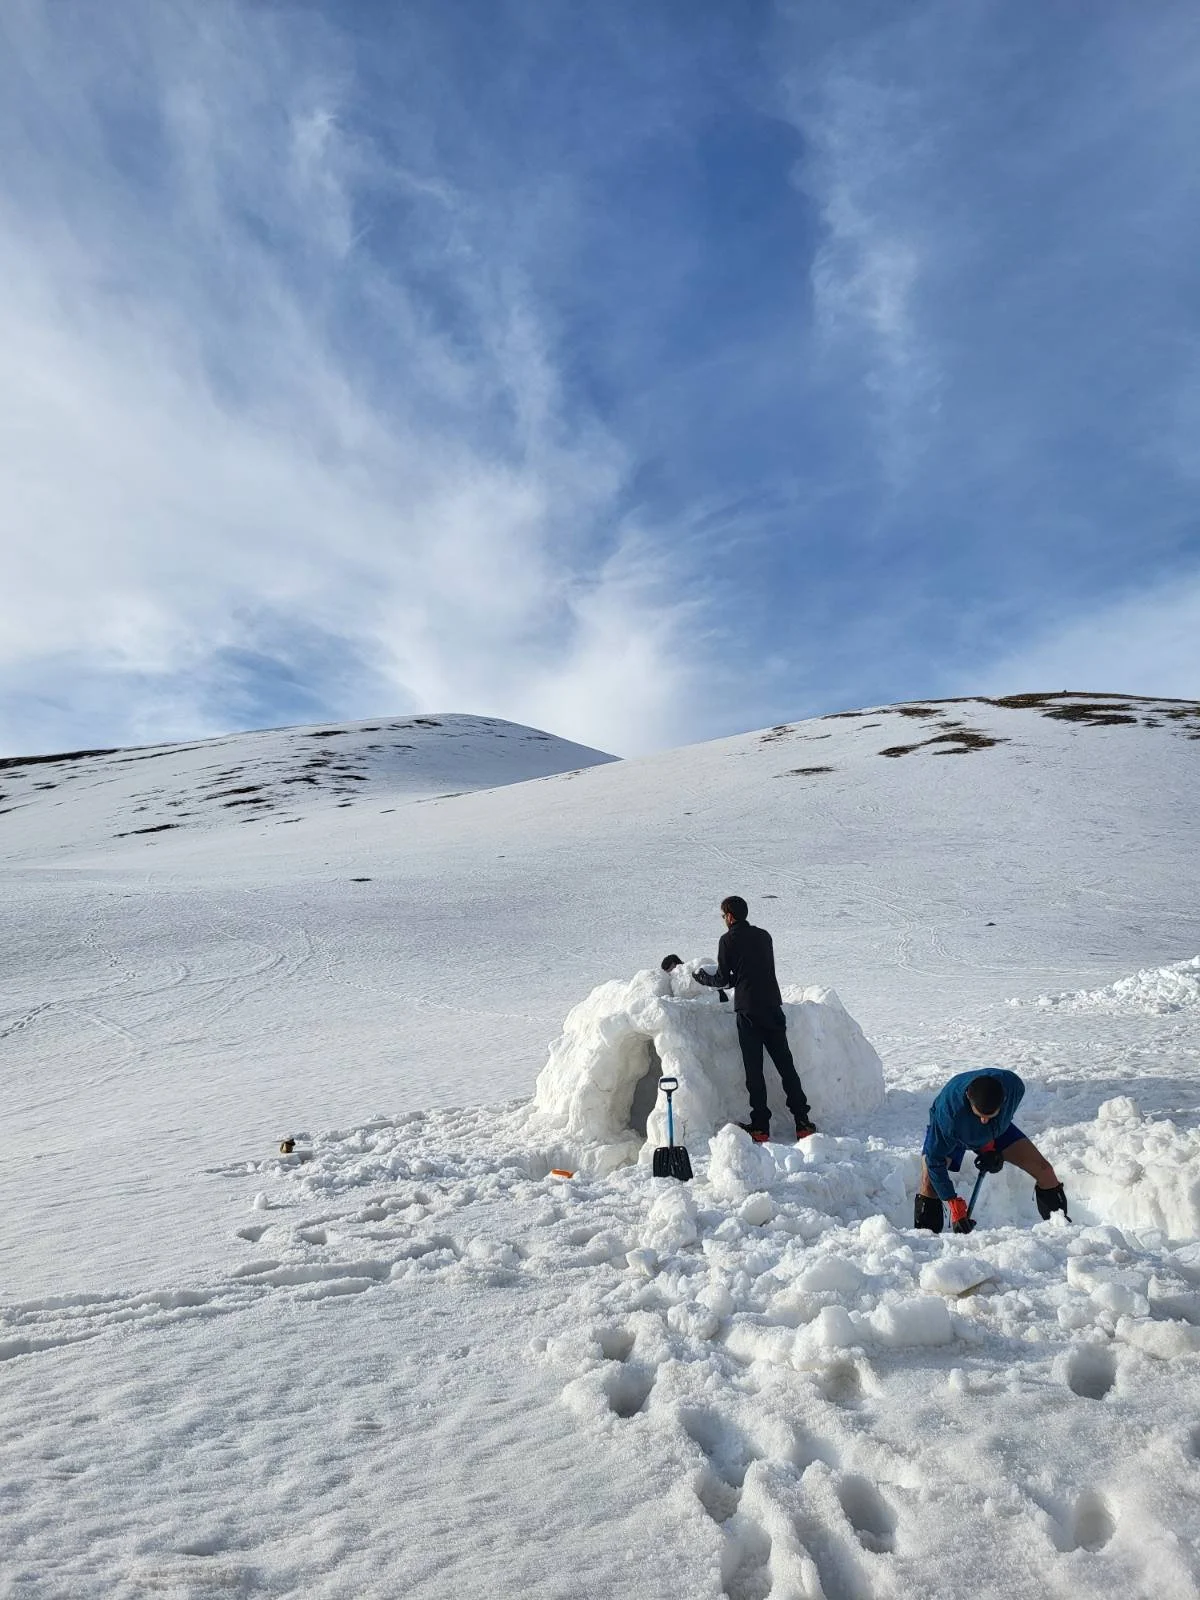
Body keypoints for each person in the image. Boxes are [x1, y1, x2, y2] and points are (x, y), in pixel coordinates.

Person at [690, 896, 816, 1142]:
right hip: (772, 1006)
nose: (723, 920)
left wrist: (703, 978)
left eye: (722, 915)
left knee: (754, 1070)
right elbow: (756, 968)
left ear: (729, 916)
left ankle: (760, 1127)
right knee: (785, 1066)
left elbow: (725, 979)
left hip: (749, 1010)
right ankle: (803, 1122)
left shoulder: (727, 940)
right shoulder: (764, 936)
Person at [914, 1068, 1070, 1233]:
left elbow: (998, 1120)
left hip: (995, 1131)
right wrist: (953, 1202)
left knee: (1044, 1171)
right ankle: (925, 1242)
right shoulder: (948, 1117)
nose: (983, 1120)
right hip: (955, 1131)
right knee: (929, 1183)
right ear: (968, 1097)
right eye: (980, 1114)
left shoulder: (1014, 1087)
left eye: (990, 1115)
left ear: (1003, 1102)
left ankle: (1063, 1232)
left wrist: (989, 1145)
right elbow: (934, 1159)